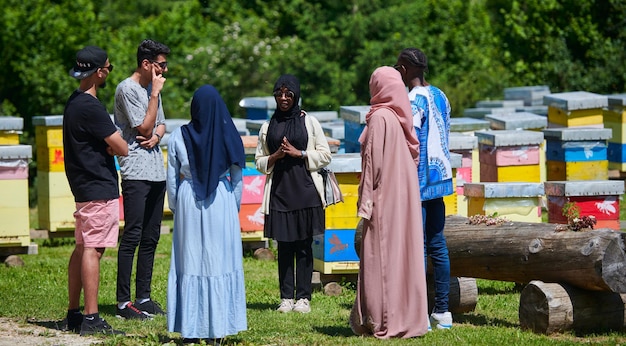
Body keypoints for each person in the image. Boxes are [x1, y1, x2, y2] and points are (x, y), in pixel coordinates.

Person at [350, 66, 429, 338]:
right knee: (402, 258)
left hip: (383, 201)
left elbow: (373, 166)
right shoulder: (398, 118)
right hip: (404, 201)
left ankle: (380, 319)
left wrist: (366, 203)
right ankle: (407, 315)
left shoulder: (380, 117)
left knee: (379, 258)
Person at [166, 85, 248, 344]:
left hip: (189, 198)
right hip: (221, 201)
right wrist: (231, 209)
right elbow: (237, 178)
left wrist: (177, 206)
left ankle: (191, 329)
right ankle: (219, 328)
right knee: (220, 261)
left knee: (190, 261)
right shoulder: (229, 133)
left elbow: (172, 178)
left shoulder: (179, 135)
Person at [63, 45, 128, 336]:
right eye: (109, 68)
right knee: (94, 249)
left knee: (81, 247)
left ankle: (74, 313)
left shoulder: (73, 102)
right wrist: (112, 143)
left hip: (81, 186)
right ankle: (91, 318)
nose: (108, 73)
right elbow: (122, 147)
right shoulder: (91, 106)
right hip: (98, 186)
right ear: (100, 71)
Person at [255, 74, 331, 314]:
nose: (284, 98)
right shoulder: (268, 126)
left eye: (288, 94)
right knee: (285, 246)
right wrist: (275, 157)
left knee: (304, 245)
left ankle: (303, 297)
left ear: (296, 95)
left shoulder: (310, 122)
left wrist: (301, 154)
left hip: (306, 190)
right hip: (279, 192)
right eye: (279, 94)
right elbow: (258, 161)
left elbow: (325, 155)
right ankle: (286, 297)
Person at [395, 47, 454, 329]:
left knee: (417, 248)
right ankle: (442, 312)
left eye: (399, 67)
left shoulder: (412, 99)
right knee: (438, 245)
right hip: (440, 179)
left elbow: (412, 141)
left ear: (406, 69)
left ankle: (419, 313)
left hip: (418, 181)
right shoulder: (441, 95)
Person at [114, 39, 170, 319]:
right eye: (161, 65)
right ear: (146, 64)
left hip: (156, 172)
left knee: (151, 237)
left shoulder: (151, 89)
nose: (165, 70)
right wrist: (155, 98)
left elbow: (160, 126)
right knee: (133, 236)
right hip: (135, 172)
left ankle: (144, 297)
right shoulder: (127, 88)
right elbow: (145, 126)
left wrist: (157, 136)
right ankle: (124, 302)